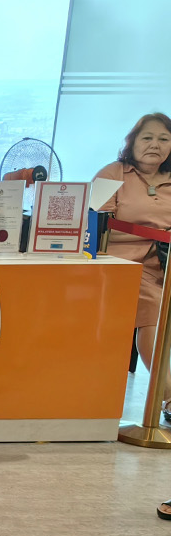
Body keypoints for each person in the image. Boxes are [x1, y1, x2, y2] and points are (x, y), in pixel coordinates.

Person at [96, 113, 171, 414]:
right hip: (120, 261)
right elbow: (94, 220)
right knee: (153, 305)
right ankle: (168, 393)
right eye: (147, 137)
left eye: (163, 139)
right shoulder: (113, 173)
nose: (155, 144)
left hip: (164, 262)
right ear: (133, 142)